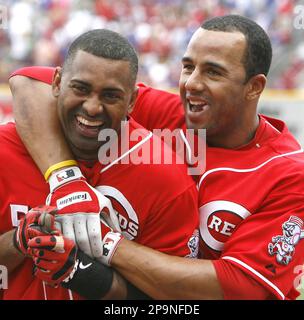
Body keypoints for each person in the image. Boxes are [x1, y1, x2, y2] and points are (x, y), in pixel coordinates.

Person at [9, 14, 304, 300]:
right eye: (188, 67)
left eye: (213, 72)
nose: (192, 83)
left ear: (255, 87)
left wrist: (106, 241)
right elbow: (30, 84)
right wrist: (66, 181)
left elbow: (237, 287)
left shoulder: (289, 175)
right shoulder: (169, 113)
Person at [0, 29, 199, 300]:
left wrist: (89, 274)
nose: (92, 107)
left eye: (110, 96)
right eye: (80, 89)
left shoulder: (166, 179)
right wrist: (17, 242)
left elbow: (177, 300)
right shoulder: (6, 151)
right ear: (57, 82)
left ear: (131, 101)